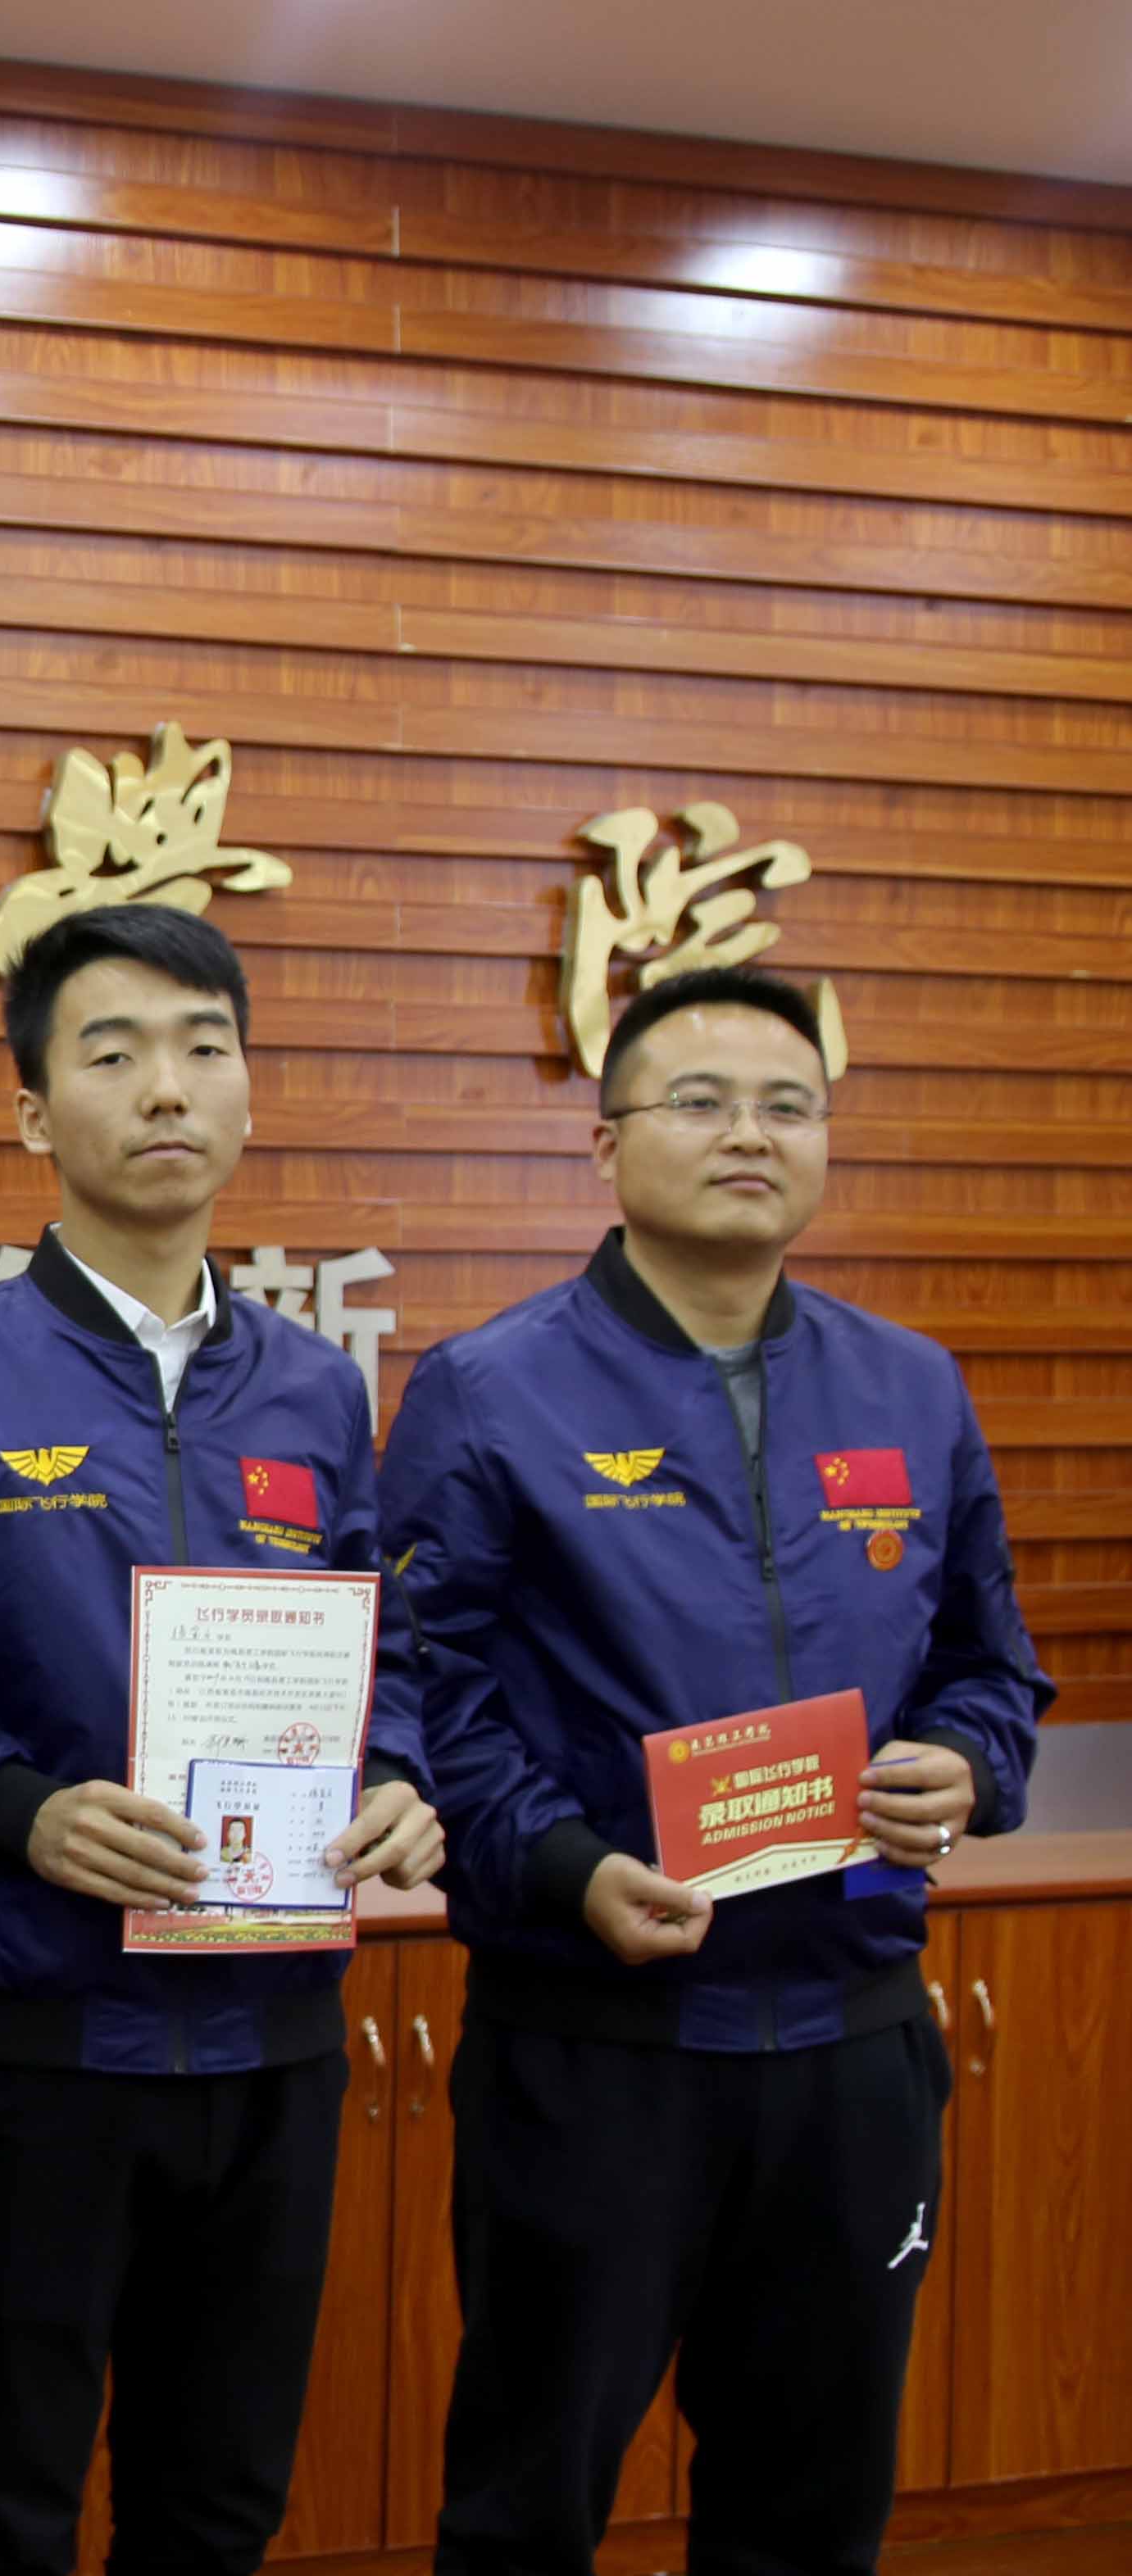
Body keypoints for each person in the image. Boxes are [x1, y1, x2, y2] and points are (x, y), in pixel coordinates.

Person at [381, 965, 1048, 2575]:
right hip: (595, 2044)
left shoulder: (910, 1385)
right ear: (605, 1144)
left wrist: (963, 1763)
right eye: (699, 1101)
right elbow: (422, 1690)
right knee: (528, 2503)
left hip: (852, 2041)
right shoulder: (489, 1390)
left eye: (786, 1105)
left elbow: (990, 1662)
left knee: (812, 2513)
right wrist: (563, 1869)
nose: (749, 1134)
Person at [0, 906, 441, 2576]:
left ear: (246, 1090)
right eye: (111, 1055)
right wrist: (15, 1807)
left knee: (222, 2496)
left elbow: (374, 1642)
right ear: (34, 1112)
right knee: (9, 2496)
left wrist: (393, 1774)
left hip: (275, 2032)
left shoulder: (315, 1387)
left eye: (201, 1047)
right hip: (43, 2036)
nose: (165, 1087)